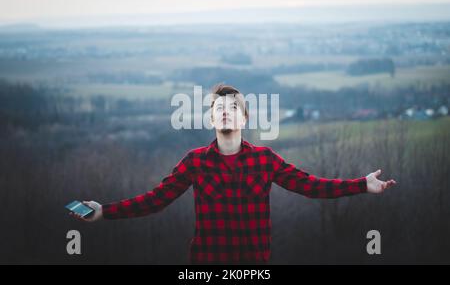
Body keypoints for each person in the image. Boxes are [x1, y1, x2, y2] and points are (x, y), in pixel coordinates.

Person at [71, 84, 396, 264]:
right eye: (218, 109)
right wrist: (104, 212)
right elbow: (155, 201)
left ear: (244, 118)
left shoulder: (266, 160)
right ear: (212, 119)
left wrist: (362, 185)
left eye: (232, 108)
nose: (225, 113)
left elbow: (311, 186)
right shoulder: (194, 162)